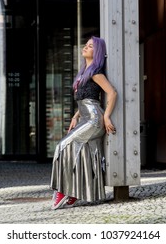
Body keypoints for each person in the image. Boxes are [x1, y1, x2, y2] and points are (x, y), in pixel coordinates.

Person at [50, 36, 117, 210]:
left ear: (98, 52)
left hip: (95, 120)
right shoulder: (84, 73)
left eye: (90, 46)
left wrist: (107, 116)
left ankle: (63, 190)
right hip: (85, 117)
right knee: (81, 155)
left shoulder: (96, 72)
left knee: (62, 146)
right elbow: (85, 99)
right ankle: (73, 193)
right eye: (85, 45)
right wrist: (75, 116)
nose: (85, 47)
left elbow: (112, 93)